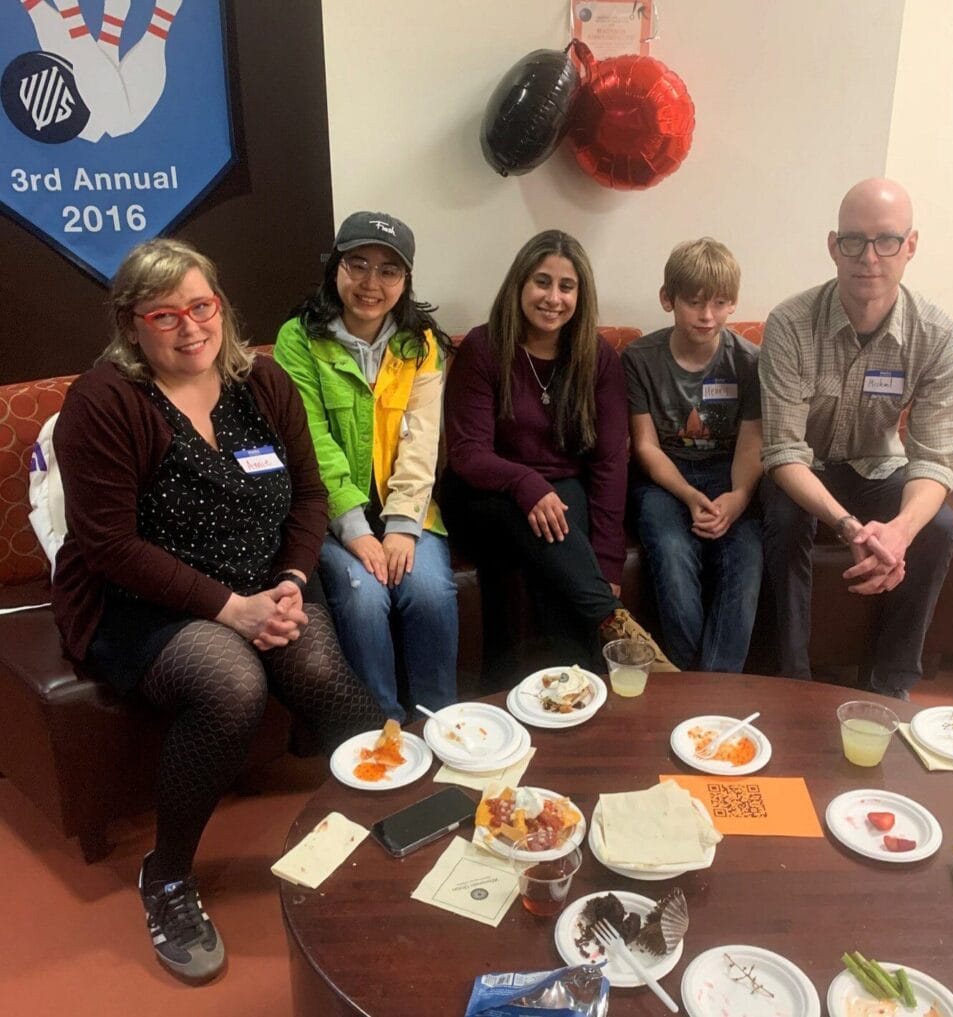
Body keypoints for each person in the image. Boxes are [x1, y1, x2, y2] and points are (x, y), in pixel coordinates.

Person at [51, 239, 385, 984]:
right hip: (138, 601)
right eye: (164, 314)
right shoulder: (104, 401)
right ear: (131, 324)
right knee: (233, 683)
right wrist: (228, 608)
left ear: (221, 308)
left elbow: (306, 495)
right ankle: (167, 877)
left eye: (201, 306)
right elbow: (108, 543)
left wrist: (294, 577)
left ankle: (399, 813)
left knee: (320, 666)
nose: (190, 327)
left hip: (264, 580)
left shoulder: (260, 380)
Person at [759, 178, 953, 699]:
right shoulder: (789, 322)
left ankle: (890, 685)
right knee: (782, 515)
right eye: (853, 240)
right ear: (833, 246)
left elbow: (936, 458)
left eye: (886, 241)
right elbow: (783, 451)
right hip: (807, 471)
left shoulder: (937, 333)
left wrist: (898, 531)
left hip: (879, 466)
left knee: (937, 525)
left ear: (910, 245)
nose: (869, 257)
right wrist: (849, 526)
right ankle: (793, 680)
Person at [442, 229, 669, 682]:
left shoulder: (598, 359)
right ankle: (612, 632)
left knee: (552, 525)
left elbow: (608, 463)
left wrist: (607, 564)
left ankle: (531, 690)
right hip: (480, 496)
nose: (553, 297)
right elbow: (468, 453)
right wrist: (527, 484)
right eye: (542, 282)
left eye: (567, 286)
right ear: (519, 285)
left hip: (560, 498)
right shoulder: (484, 349)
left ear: (580, 295)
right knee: (535, 516)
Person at [274, 211, 458, 721]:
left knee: (430, 592)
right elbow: (308, 442)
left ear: (406, 280)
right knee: (362, 596)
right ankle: (381, 730)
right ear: (336, 267)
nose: (371, 283)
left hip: (407, 506)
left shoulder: (420, 345)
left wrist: (402, 526)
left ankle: (440, 723)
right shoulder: (300, 338)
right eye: (358, 264)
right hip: (332, 514)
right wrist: (354, 530)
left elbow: (423, 442)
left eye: (388, 270)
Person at [623, 238, 762, 673]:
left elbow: (751, 443)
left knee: (746, 557)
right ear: (669, 299)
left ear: (733, 304)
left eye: (720, 303)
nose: (707, 316)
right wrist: (686, 494)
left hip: (730, 473)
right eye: (695, 302)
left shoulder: (750, 361)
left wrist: (739, 498)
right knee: (671, 550)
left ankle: (716, 686)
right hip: (664, 478)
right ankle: (689, 680)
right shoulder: (639, 358)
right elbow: (645, 445)